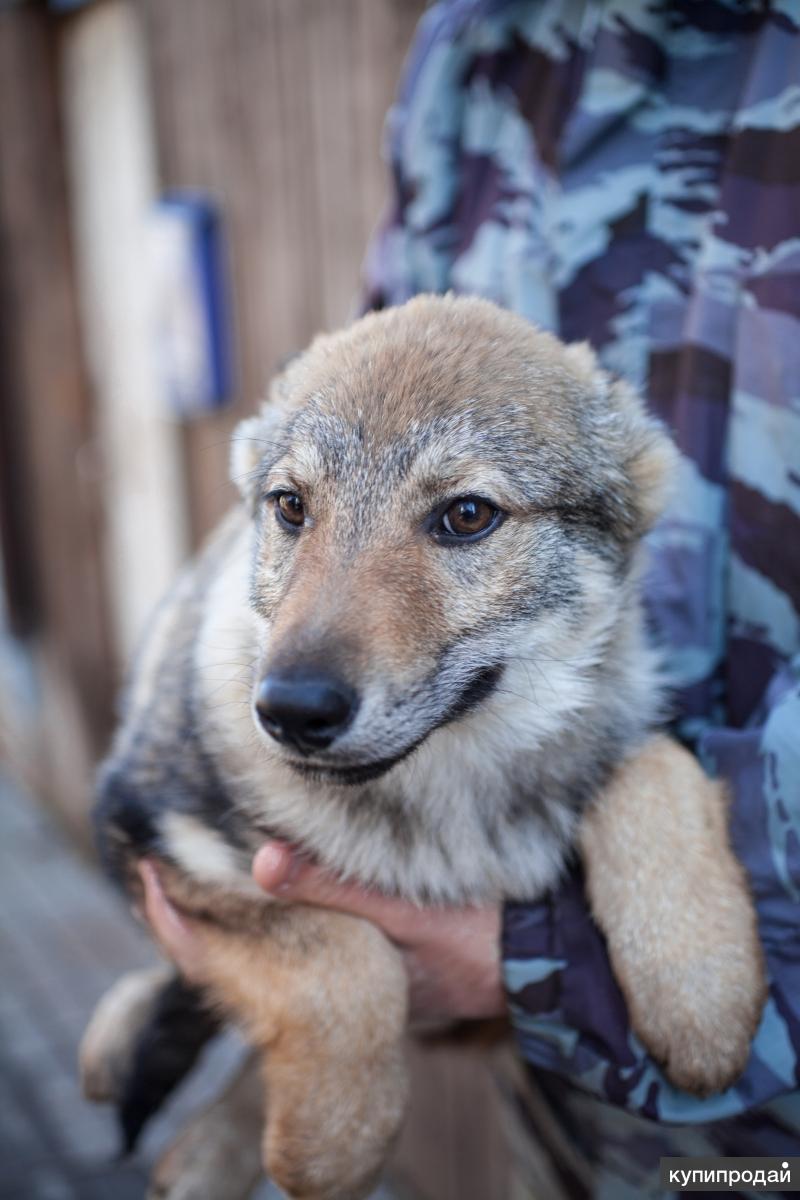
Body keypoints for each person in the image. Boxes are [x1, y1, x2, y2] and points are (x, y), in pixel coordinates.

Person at [142, 2, 800, 1195]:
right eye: (286, 513)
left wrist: (546, 953)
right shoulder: (479, 40)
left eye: (464, 519)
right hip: (558, 1129)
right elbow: (376, 409)